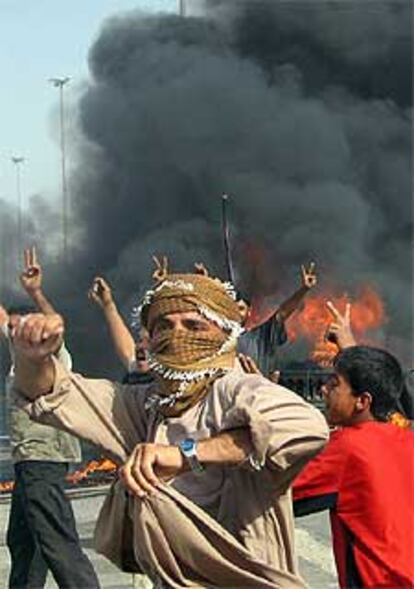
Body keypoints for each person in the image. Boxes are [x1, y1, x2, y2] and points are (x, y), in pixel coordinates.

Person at [11, 260, 329, 588]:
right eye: (164, 325)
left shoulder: (237, 387)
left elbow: (306, 426)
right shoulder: (147, 404)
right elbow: (52, 393)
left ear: (224, 332)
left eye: (194, 325)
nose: (177, 335)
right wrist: (31, 356)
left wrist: (184, 454)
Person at [2, 247, 100, 589]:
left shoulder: (50, 354)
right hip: (28, 460)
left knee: (56, 541)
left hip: (44, 457)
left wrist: (36, 294)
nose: (14, 333)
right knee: (23, 541)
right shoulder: (20, 356)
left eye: (22, 327)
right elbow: (3, 320)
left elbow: (54, 326)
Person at [293, 345, 414, 588]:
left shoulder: (349, 446)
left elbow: (282, 491)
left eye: (335, 384)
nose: (324, 389)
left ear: (362, 401)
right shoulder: (405, 437)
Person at [238, 262, 317, 376]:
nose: (236, 313)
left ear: (249, 312)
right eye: (231, 308)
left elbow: (282, 314)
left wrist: (304, 289)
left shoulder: (259, 338)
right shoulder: (217, 340)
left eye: (240, 309)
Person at [88, 276, 153, 384]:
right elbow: (127, 351)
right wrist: (108, 305)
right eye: (140, 341)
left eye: (149, 342)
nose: (140, 347)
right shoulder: (136, 375)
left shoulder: (175, 383)